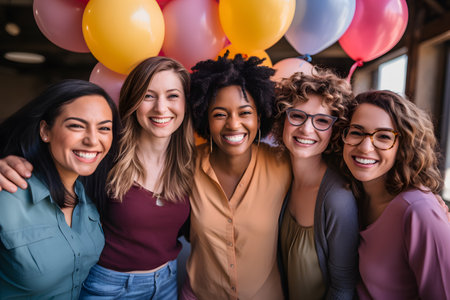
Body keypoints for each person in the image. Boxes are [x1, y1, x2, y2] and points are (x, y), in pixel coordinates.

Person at [0, 56, 196, 299]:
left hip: (166, 280)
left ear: (186, 103)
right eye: (148, 95)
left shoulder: (193, 163)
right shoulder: (103, 155)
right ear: (134, 100)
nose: (161, 107)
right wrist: (5, 160)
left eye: (173, 95)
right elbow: (51, 157)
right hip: (109, 285)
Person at [180, 53, 292, 300]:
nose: (233, 124)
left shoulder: (283, 164)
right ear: (205, 120)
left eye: (244, 113)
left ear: (259, 116)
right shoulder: (187, 165)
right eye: (220, 114)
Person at [0, 79, 120, 299]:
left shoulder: (90, 197)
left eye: (104, 128)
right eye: (76, 125)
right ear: (46, 130)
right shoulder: (7, 195)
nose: (93, 140)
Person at [341, 90, 450, 299]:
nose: (365, 147)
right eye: (356, 132)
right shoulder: (351, 194)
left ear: (404, 146)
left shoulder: (419, 211)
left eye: (383, 137)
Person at [272, 69, 359, 299]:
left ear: (335, 129)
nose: (307, 129)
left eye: (321, 120)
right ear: (283, 119)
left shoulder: (337, 198)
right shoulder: (280, 176)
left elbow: (342, 288)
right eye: (297, 116)